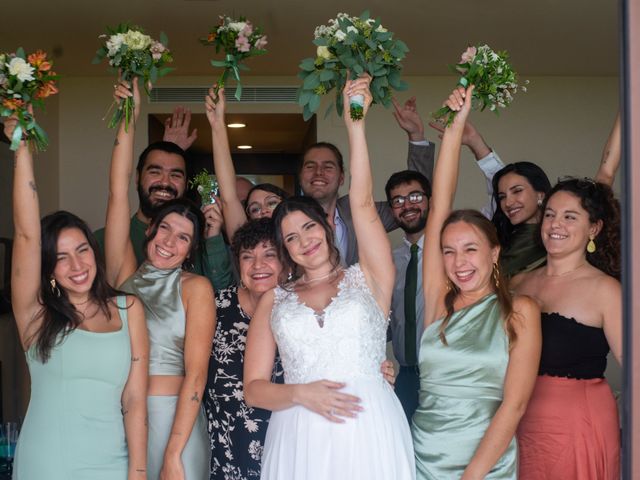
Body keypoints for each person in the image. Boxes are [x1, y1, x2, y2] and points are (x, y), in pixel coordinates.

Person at [244, 76, 415, 479]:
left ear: (326, 224)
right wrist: (300, 394)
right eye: (290, 237)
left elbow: (361, 198)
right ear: (284, 249)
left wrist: (356, 120)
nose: (303, 241)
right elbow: (253, 389)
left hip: (368, 426)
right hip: (298, 430)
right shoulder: (275, 300)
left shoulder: (369, 277)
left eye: (308, 227)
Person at [6, 116, 149, 479]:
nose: (76, 265)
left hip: (113, 464)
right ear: (48, 268)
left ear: (95, 251)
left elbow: (134, 401)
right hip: (48, 463)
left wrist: (138, 470)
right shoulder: (35, 315)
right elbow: (25, 235)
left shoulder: (128, 308)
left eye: (82, 250)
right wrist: (22, 148)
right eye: (60, 258)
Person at [414, 86, 541, 479]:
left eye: (470, 249)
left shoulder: (520, 310)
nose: (458, 262)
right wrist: (452, 134)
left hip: (486, 462)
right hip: (422, 453)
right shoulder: (439, 301)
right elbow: (439, 207)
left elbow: (514, 405)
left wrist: (473, 476)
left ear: (495, 252)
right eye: (448, 251)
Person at [105, 79, 216, 479]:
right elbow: (117, 194)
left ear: (191, 249)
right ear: (149, 231)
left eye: (183, 237)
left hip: (175, 421)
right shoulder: (125, 276)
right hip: (120, 418)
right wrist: (128, 117)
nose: (170, 242)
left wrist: (174, 453)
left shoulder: (195, 288)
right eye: (165, 229)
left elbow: (197, 374)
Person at [512, 178, 621, 479]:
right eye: (549, 214)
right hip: (518, 421)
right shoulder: (518, 284)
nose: (555, 224)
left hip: (579, 427)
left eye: (569, 216)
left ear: (594, 229)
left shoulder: (606, 290)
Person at [93, 111, 233, 293]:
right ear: (137, 178)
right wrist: (131, 111)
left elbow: (223, 298)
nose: (165, 182)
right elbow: (117, 192)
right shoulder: (102, 241)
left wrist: (213, 239)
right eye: (155, 172)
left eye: (175, 175)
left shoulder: (202, 242)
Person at [493, 111, 621, 279]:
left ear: (541, 194)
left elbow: (606, 172)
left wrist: (629, 102)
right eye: (502, 196)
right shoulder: (499, 237)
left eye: (517, 191)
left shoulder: (565, 233)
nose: (508, 202)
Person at [204, 219, 286, 480]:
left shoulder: (301, 311)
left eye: (269, 255)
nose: (258, 265)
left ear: (287, 260)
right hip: (224, 447)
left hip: (287, 443)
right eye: (247, 256)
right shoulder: (215, 306)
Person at [205, 86, 290, 243]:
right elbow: (229, 196)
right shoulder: (244, 242)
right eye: (254, 209)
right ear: (248, 217)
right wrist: (217, 124)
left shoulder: (300, 244)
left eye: (271, 203)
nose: (263, 211)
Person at [384, 169, 431, 420]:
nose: (407, 206)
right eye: (398, 201)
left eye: (415, 196)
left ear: (429, 200)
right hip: (406, 376)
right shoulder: (391, 260)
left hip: (444, 374)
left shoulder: (449, 251)